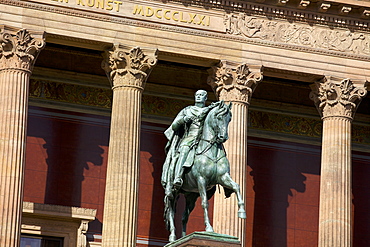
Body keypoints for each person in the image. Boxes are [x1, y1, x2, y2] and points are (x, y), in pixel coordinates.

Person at [161, 90, 218, 196]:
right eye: (197, 95)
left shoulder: (209, 111)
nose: (198, 97)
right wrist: (183, 120)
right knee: (184, 149)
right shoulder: (187, 110)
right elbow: (174, 126)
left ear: (205, 98)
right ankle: (178, 176)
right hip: (190, 137)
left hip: (205, 138)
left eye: (201, 95)